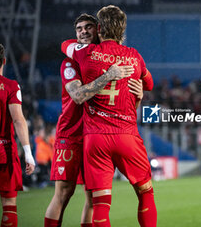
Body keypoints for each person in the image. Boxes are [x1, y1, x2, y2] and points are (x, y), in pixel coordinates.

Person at [61, 6, 156, 227]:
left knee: (101, 203)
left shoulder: (84, 53)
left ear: (99, 28)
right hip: (127, 136)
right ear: (123, 29)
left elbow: (64, 45)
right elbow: (149, 83)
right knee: (145, 192)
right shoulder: (134, 56)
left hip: (95, 139)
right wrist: (139, 86)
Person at [44, 14, 137, 227]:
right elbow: (78, 96)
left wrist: (138, 92)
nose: (83, 31)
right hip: (71, 134)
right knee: (64, 193)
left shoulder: (103, 59)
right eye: (79, 29)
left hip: (96, 136)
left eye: (88, 27)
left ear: (98, 30)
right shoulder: (70, 62)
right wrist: (109, 75)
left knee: (94, 198)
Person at [0, 43, 35, 227]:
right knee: (9, 206)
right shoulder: (10, 86)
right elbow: (19, 120)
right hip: (3, 150)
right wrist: (28, 154)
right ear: (4, 61)